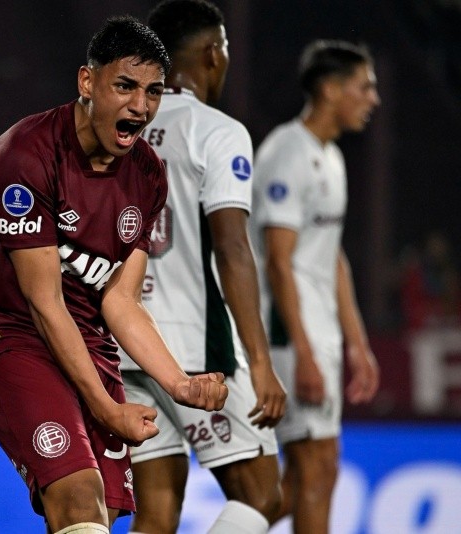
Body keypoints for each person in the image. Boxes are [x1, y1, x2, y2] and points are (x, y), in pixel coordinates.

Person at [0, 15, 229, 534]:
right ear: (87, 82)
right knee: (79, 499)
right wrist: (105, 408)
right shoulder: (25, 156)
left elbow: (121, 299)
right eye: (124, 86)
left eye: (152, 92)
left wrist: (178, 383)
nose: (140, 106)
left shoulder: (147, 174)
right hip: (11, 334)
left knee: (107, 515)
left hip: (87, 336)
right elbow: (43, 302)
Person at [117, 2, 287, 533]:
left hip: (122, 345)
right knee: (263, 498)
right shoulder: (217, 130)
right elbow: (233, 247)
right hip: (198, 351)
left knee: (157, 514)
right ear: (213, 54)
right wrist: (260, 360)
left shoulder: (120, 129)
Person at [249, 41, 381, 533]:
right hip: (288, 333)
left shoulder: (332, 158)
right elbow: (278, 264)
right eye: (364, 87)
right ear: (330, 90)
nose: (373, 99)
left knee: (314, 470)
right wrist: (302, 351)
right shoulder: (287, 153)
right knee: (316, 465)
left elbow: (333, 259)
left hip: (318, 333)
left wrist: (358, 342)